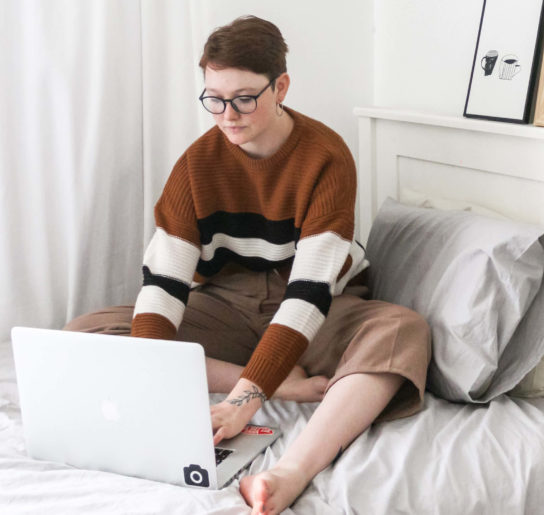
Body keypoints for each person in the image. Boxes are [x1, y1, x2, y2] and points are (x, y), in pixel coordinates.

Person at [64, 15, 430, 515]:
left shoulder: (326, 156)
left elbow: (308, 295)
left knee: (402, 332)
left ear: (280, 86)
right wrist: (147, 377)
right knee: (89, 331)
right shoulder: (196, 165)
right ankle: (277, 377)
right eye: (214, 98)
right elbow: (164, 284)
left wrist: (245, 402)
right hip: (230, 302)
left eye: (243, 98)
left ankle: (290, 472)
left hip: (320, 303)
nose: (227, 115)